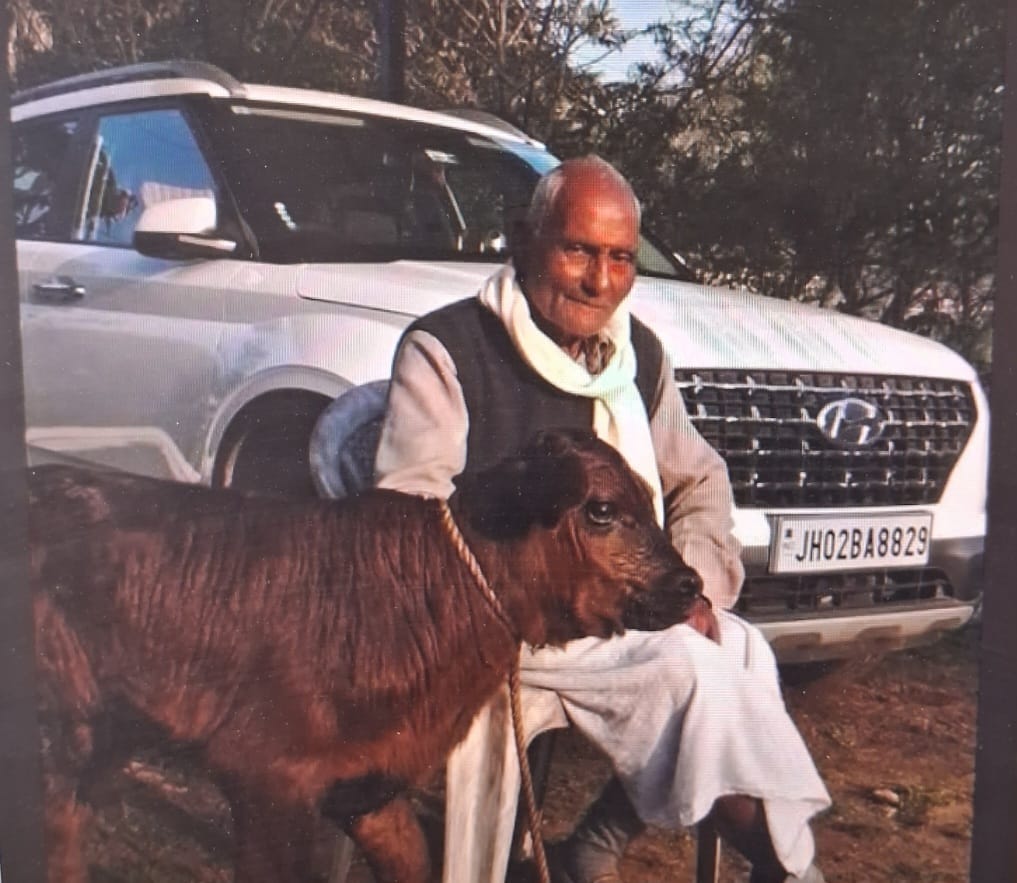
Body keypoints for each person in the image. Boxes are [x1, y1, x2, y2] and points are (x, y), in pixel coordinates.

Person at [373, 156, 831, 883]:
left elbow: (699, 478)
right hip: (503, 621)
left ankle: (597, 841)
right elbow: (410, 518)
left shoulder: (634, 356)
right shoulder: (448, 349)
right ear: (523, 241)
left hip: (621, 607)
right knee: (688, 671)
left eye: (620, 258)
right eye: (578, 250)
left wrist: (688, 588)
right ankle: (788, 869)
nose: (599, 280)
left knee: (739, 647)